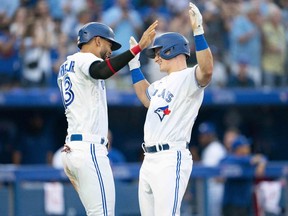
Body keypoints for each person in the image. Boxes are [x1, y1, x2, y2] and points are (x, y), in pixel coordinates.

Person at [57, 20, 158, 216]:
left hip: (73, 149)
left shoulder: (66, 65)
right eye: (109, 45)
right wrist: (137, 49)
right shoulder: (84, 60)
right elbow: (101, 71)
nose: (111, 51)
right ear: (96, 41)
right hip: (89, 149)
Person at [127, 2, 213, 215]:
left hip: (170, 157)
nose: (155, 58)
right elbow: (146, 97)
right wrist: (134, 65)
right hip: (149, 158)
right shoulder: (159, 84)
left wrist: (198, 32)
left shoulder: (189, 77)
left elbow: (207, 71)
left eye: (157, 52)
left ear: (171, 50)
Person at [220, 135, 267, 216]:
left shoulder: (249, 161)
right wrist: (251, 160)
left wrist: (262, 163)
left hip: (246, 203)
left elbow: (263, 157)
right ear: (239, 148)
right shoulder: (230, 159)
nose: (248, 148)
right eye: (245, 146)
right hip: (231, 205)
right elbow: (224, 162)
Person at [197, 121, 227, 216]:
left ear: (211, 135)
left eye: (205, 135)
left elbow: (208, 170)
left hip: (215, 189)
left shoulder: (216, 148)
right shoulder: (209, 148)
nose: (202, 138)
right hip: (210, 188)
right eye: (201, 136)